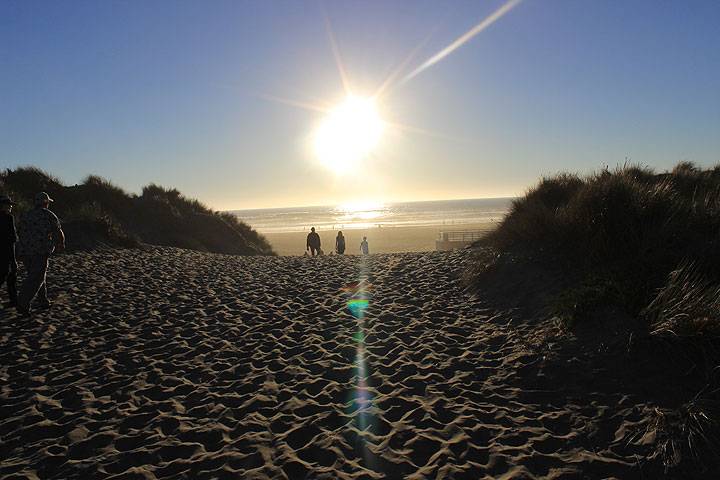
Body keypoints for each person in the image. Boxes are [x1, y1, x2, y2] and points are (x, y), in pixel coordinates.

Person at [16, 192, 65, 316]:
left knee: (36, 274)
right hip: (40, 250)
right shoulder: (48, 215)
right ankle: (22, 302)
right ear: (46, 203)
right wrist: (61, 243)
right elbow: (58, 231)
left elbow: (20, 232)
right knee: (36, 278)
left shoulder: (26, 215)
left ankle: (43, 300)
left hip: (26, 251)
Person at [0, 195, 18, 308]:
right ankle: (13, 300)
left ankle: (14, 300)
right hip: (6, 251)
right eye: (9, 205)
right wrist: (14, 258)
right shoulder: (8, 218)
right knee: (8, 274)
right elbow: (12, 239)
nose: (10, 207)